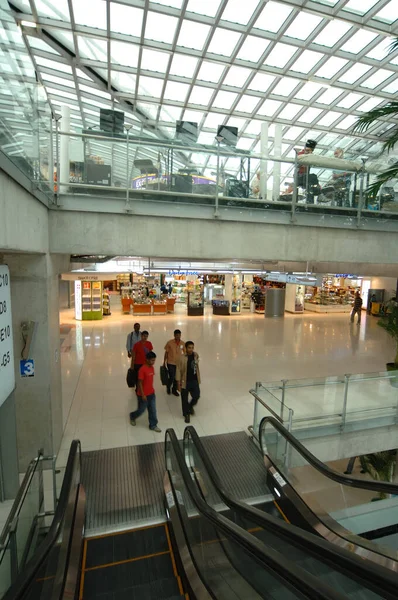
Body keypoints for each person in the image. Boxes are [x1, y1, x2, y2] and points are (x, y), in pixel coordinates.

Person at [129, 351, 161, 432]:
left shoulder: (152, 368)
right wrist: (143, 395)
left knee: (153, 410)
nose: (153, 362)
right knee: (141, 410)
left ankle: (153, 425)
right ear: (147, 360)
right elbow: (139, 383)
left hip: (151, 394)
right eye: (151, 360)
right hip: (143, 395)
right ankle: (132, 416)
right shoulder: (142, 370)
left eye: (154, 360)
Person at [176, 341, 201, 424]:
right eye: (189, 348)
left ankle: (190, 406)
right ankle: (186, 414)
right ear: (185, 348)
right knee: (184, 399)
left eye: (192, 347)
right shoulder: (181, 358)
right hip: (184, 381)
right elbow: (178, 371)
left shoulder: (195, 355)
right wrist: (178, 383)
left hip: (194, 380)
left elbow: (196, 364)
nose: (191, 349)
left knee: (196, 396)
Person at [297, 140, 319, 204]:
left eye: (311, 150)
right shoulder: (301, 154)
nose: (310, 151)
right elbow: (299, 165)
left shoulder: (309, 155)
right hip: (300, 176)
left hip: (305, 177)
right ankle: (311, 200)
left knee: (310, 183)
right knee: (313, 178)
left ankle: (310, 201)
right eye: (309, 150)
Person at [164, 329, 185, 396]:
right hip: (170, 362)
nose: (178, 336)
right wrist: (164, 361)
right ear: (174, 335)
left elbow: (185, 353)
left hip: (179, 363)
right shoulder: (169, 342)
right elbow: (166, 352)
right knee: (172, 376)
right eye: (177, 335)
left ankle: (174, 389)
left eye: (179, 335)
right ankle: (168, 386)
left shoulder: (183, 343)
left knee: (177, 377)